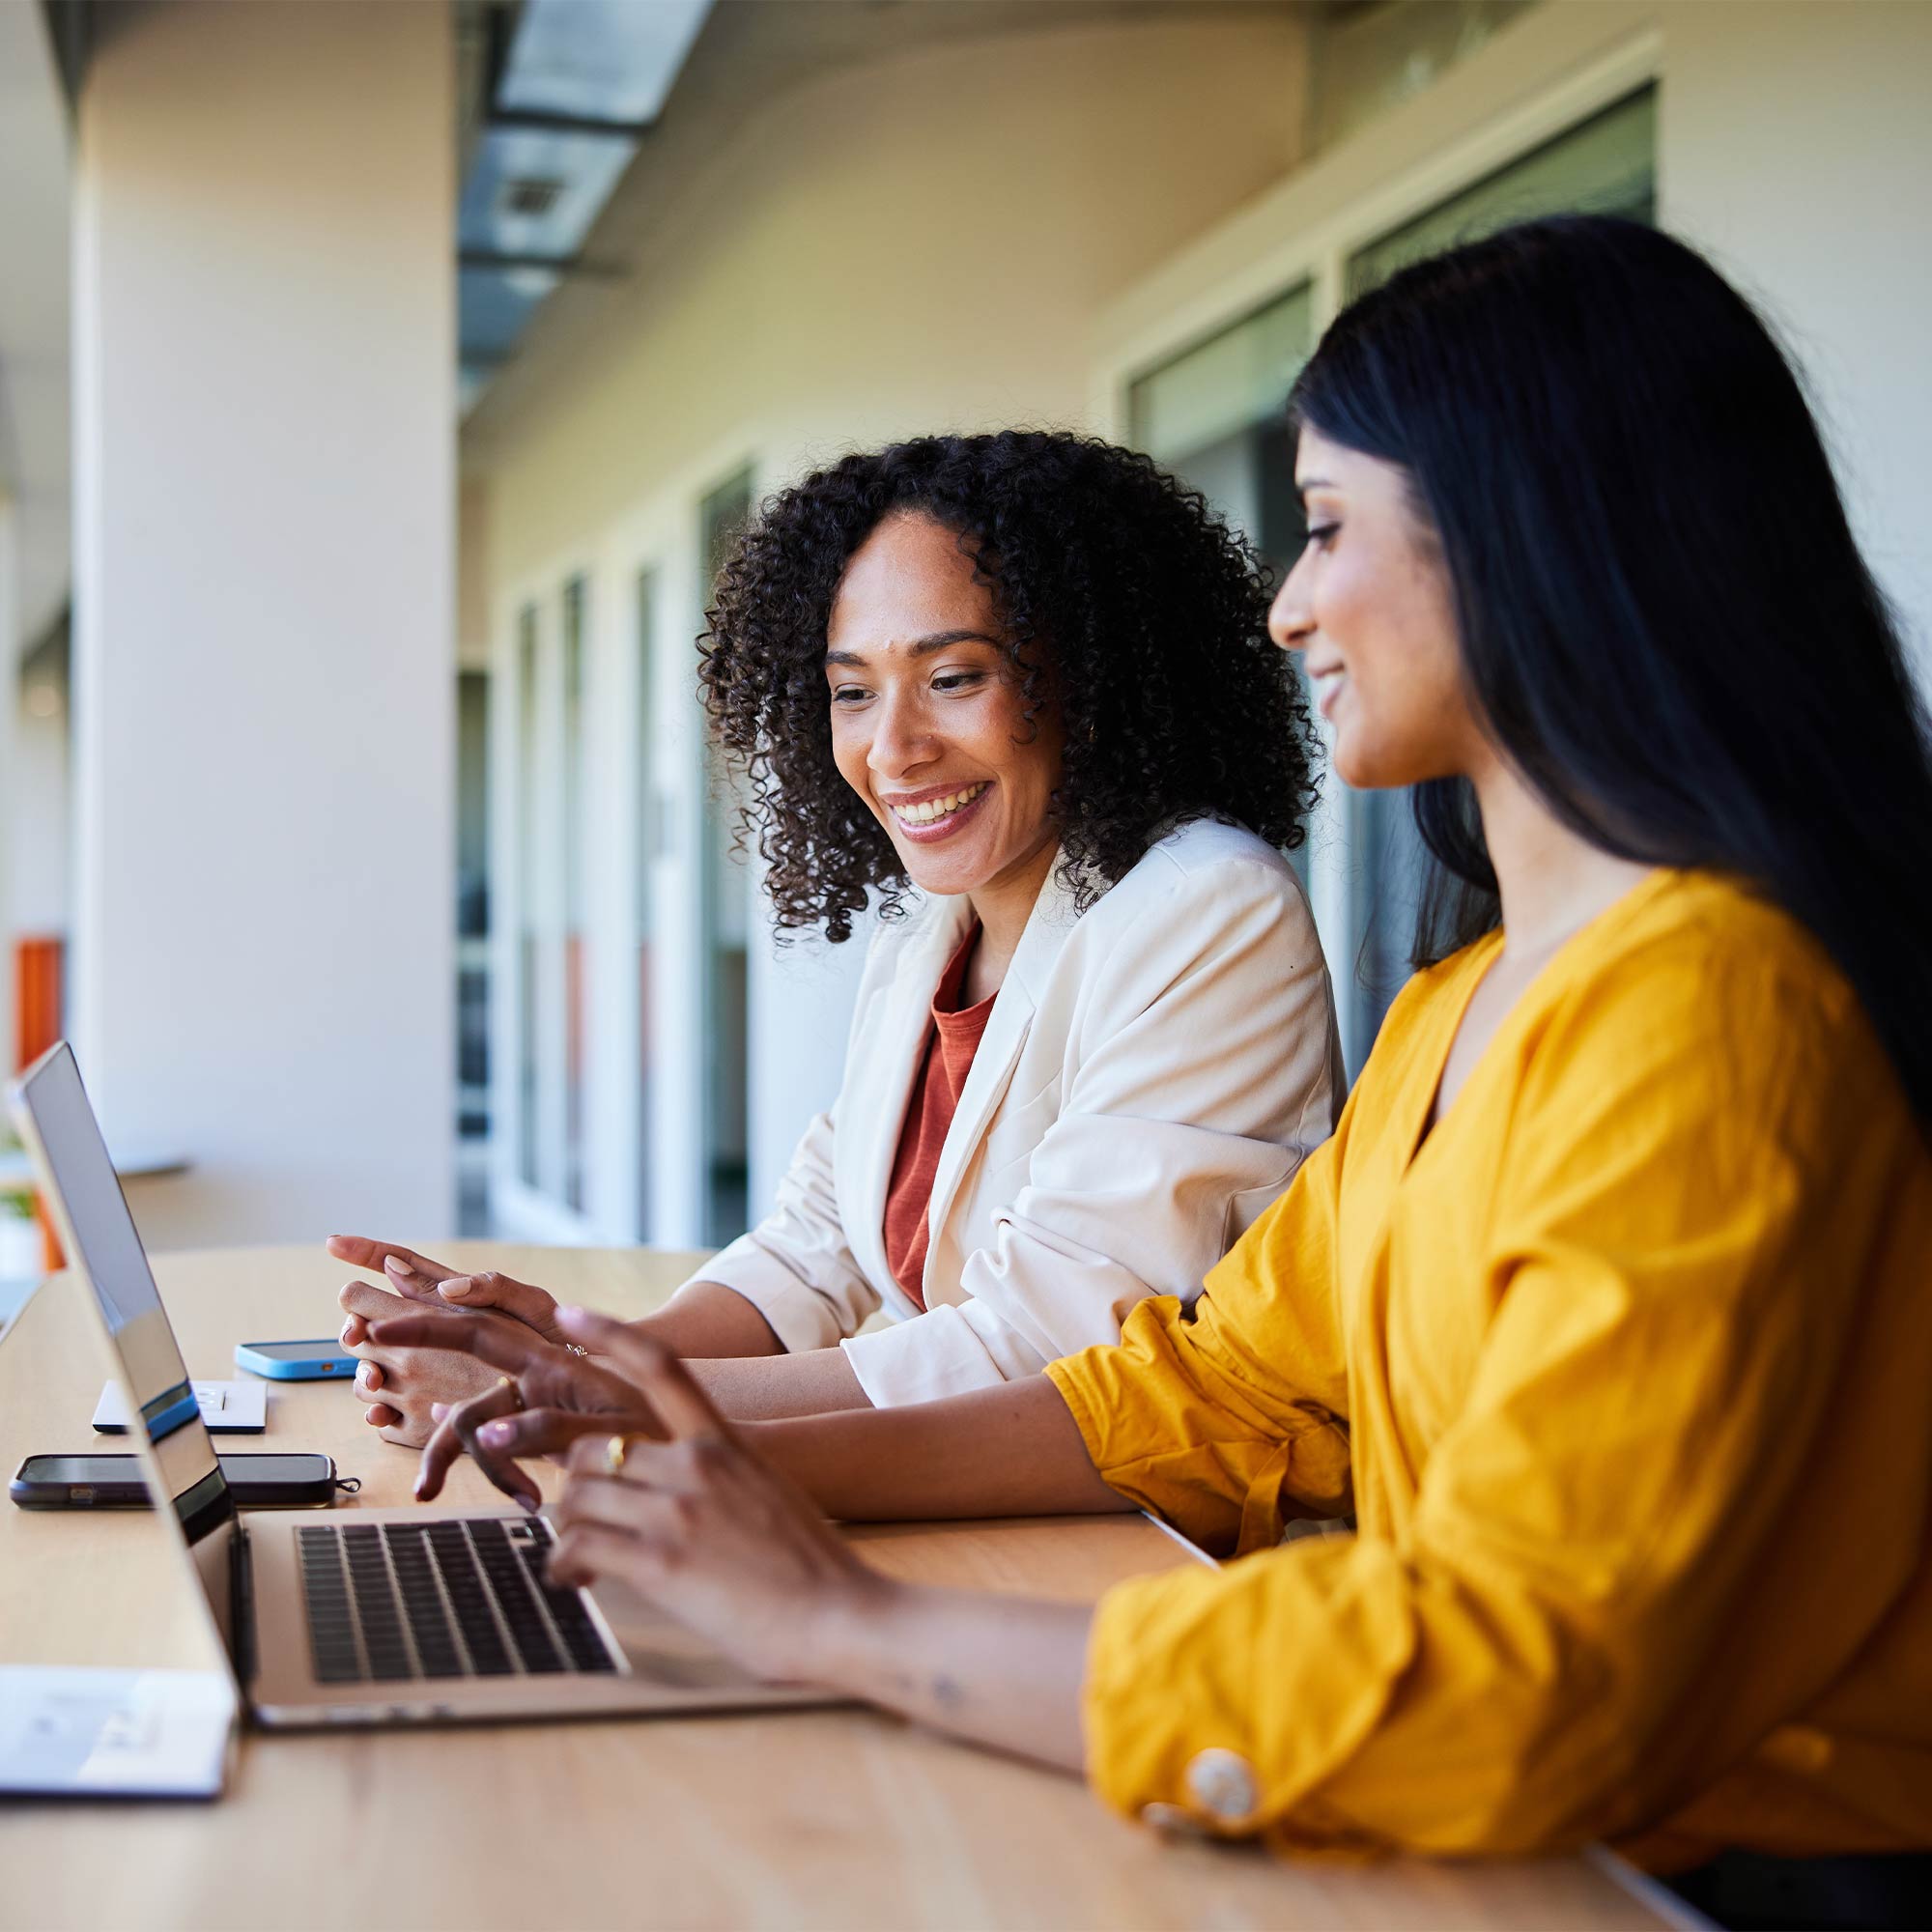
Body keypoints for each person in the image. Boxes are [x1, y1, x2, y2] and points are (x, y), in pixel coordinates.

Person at [375, 217, 1932, 1915]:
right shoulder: (1465, 1006)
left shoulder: (1710, 1008)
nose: (1289, 604)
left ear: (1533, 535)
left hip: (1709, 1883)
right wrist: (684, 1452)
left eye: (1330, 527)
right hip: (1520, 1832)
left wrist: (849, 1622)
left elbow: (1518, 1674)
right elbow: (1210, 1386)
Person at [340, 431, 1342, 1445]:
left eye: (953, 677)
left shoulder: (1206, 908)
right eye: (852, 691)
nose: (892, 748)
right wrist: (579, 1351)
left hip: (1118, 1549)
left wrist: (584, 1391)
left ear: (1091, 678)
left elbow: (1046, 1350)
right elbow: (815, 1249)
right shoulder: (930, 923)